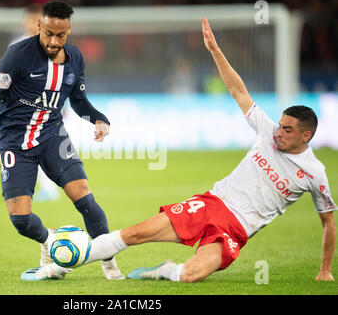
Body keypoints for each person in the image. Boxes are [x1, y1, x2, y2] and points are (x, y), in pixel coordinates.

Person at [79, 18, 336, 283]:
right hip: (211, 204)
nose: (279, 133)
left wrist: (325, 270)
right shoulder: (268, 132)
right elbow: (238, 91)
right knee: (134, 234)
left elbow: (328, 222)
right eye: (280, 126)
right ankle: (69, 258)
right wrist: (214, 50)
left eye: (288, 130)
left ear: (307, 136)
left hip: (236, 230)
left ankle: (166, 270)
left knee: (190, 276)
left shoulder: (314, 173)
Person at [0, 0, 124, 280]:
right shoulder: (18, 55)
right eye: (49, 34)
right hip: (14, 143)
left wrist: (99, 119)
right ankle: (49, 240)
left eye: (61, 35)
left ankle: (108, 261)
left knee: (84, 196)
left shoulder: (76, 58)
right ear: (39, 26)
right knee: (20, 219)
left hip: (53, 136)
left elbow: (78, 100)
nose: (54, 41)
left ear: (69, 30)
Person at [10, 3, 62, 203]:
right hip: (22, 106)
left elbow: (60, 76)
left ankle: (49, 188)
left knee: (40, 146)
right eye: (29, 20)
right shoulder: (16, 44)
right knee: (28, 147)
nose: (31, 24)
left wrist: (61, 104)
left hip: (46, 104)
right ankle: (42, 188)